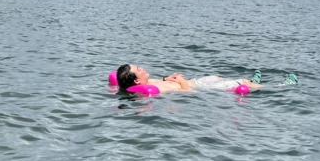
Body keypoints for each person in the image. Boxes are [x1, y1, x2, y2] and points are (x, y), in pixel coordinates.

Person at [116, 64, 297, 93]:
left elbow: (159, 80)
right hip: (200, 89)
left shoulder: (148, 82)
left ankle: (255, 82)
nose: (143, 68)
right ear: (137, 80)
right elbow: (188, 94)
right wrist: (180, 82)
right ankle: (281, 86)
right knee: (242, 83)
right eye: (138, 69)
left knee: (216, 76)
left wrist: (167, 77)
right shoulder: (154, 91)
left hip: (198, 81)